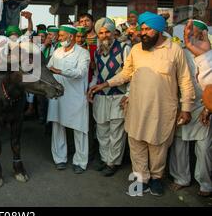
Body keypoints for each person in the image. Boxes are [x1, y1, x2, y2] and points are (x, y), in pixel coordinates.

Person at [88, 12, 195, 196]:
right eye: (142, 29)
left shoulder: (175, 49)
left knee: (158, 146)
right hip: (136, 108)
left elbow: (185, 81)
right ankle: (141, 178)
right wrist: (105, 84)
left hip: (162, 110)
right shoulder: (137, 49)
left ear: (159, 30)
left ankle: (156, 178)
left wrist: (186, 108)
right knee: (136, 144)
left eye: (147, 29)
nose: (143, 33)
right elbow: (125, 74)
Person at [169, 19, 211, 197]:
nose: (190, 33)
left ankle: (206, 184)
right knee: (179, 143)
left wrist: (209, 108)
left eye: (194, 30)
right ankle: (181, 178)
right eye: (187, 30)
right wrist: (179, 105)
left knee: (204, 147)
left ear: (203, 34)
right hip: (183, 104)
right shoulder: (179, 52)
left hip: (204, 106)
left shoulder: (209, 54)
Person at [89, 18, 130, 177]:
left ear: (113, 32)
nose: (104, 35)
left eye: (107, 32)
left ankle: (112, 163)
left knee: (116, 132)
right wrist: (91, 88)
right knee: (102, 130)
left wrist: (128, 94)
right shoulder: (97, 51)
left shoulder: (125, 48)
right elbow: (97, 75)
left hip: (118, 96)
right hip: (101, 96)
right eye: (101, 32)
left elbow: (129, 73)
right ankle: (105, 159)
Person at [47, 25, 90, 174]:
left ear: (71, 36)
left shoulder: (83, 53)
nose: (59, 38)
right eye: (59, 36)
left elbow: (81, 72)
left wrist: (60, 71)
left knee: (79, 128)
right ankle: (60, 159)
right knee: (57, 126)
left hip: (75, 96)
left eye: (62, 36)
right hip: (58, 96)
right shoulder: (57, 51)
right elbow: (48, 68)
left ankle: (80, 161)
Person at [183, 19, 212, 90]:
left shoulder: (209, 56)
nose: (187, 35)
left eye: (192, 34)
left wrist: (204, 56)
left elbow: (208, 85)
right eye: (185, 32)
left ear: (202, 35)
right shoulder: (181, 51)